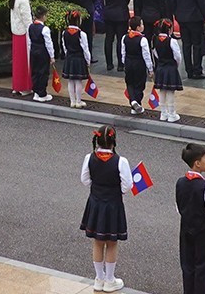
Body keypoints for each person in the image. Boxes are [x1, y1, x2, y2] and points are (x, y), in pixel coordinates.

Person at [79, 125, 131, 292]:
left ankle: (99, 279)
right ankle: (109, 280)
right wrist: (116, 191)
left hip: (95, 202)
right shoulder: (121, 161)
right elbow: (127, 185)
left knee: (98, 241)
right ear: (113, 141)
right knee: (112, 242)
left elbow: (85, 180)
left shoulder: (89, 158)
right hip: (113, 204)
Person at [176, 143, 205, 294]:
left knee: (187, 265)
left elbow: (179, 206)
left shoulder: (180, 182)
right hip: (202, 231)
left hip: (185, 228)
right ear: (197, 163)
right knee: (202, 266)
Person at [152, 21, 185, 123]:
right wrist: (174, 64)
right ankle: (172, 114)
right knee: (170, 91)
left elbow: (155, 53)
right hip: (170, 67)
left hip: (161, 67)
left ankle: (163, 113)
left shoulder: (155, 39)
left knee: (162, 90)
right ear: (169, 29)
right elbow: (178, 56)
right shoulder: (172, 41)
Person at [61, 11, 93, 106]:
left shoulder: (64, 32)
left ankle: (72, 101)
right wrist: (88, 61)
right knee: (78, 80)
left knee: (71, 80)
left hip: (70, 57)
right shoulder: (81, 34)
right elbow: (85, 49)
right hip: (79, 58)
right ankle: (78, 101)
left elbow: (64, 46)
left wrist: (68, 55)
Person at [27, 4, 56, 101]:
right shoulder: (45, 29)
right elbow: (49, 43)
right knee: (43, 72)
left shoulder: (30, 27)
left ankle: (36, 92)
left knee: (35, 71)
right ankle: (42, 93)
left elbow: (29, 40)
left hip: (33, 51)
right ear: (43, 16)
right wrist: (52, 56)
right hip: (43, 52)